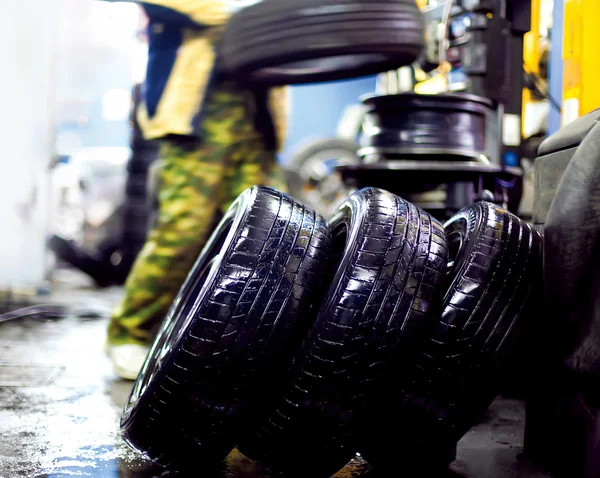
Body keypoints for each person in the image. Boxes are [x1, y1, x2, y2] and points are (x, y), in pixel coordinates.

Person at [106, 0, 288, 379]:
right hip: (196, 122)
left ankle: (233, 345)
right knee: (183, 231)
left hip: (256, 121)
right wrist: (251, 13)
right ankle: (130, 333)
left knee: (268, 239)